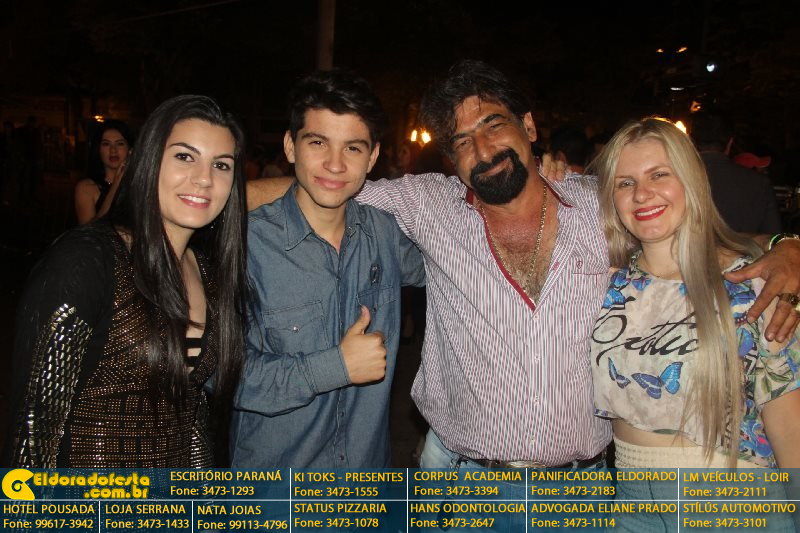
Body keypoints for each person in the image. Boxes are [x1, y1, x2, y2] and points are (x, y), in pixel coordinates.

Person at [246, 60, 800, 471]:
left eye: (494, 125)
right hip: (462, 479)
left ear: (529, 127)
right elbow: (326, 185)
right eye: (462, 141)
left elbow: (688, 230)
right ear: (451, 159)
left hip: (577, 488)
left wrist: (785, 245)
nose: (483, 150)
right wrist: (208, 196)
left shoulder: (600, 204)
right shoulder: (428, 205)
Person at [3, 95, 248, 468]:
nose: (204, 178)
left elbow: (192, 412)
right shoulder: (87, 260)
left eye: (221, 164)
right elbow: (33, 429)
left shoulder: (210, 272)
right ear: (149, 160)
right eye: (185, 156)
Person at [230, 70, 425, 469]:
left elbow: (465, 264)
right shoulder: (246, 245)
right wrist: (335, 367)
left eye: (352, 148)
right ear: (290, 146)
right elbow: (221, 375)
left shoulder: (387, 237)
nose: (335, 164)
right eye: (318, 142)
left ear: (372, 157)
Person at [591, 117, 800, 470]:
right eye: (625, 182)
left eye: (659, 174)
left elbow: (791, 433)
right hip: (629, 497)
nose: (641, 194)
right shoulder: (606, 287)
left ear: (691, 180)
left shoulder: (749, 286)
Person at [691, 111, 781, 234]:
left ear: (692, 142)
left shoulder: (676, 178)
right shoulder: (758, 183)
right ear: (730, 142)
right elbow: (773, 236)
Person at [74, 119, 134, 224]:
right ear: (98, 149)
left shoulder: (138, 185)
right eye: (106, 144)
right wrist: (116, 183)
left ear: (130, 149)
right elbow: (89, 231)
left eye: (120, 144)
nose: (113, 150)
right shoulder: (86, 188)